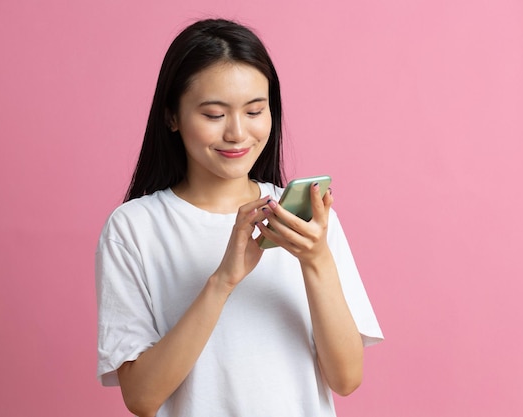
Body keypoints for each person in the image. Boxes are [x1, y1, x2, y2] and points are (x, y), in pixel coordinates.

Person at [96, 18, 383, 417]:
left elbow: (347, 379)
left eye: (254, 111)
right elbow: (141, 398)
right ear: (171, 117)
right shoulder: (134, 229)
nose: (237, 133)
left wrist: (315, 260)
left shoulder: (306, 221)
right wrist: (223, 280)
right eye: (214, 114)